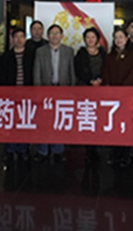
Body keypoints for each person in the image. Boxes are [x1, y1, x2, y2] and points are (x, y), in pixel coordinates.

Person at [33, 24, 76, 163]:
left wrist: (72, 90)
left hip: (62, 90)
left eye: (57, 33)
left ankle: (58, 150)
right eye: (52, 33)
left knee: (60, 120)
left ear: (61, 36)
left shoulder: (69, 51)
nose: (55, 36)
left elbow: (72, 72)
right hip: (45, 90)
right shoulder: (40, 51)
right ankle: (43, 150)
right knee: (44, 121)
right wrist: (38, 91)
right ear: (48, 36)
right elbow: (37, 72)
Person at [101, 28, 133, 167]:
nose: (119, 40)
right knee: (114, 125)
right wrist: (108, 86)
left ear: (126, 39)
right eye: (116, 37)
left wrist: (123, 89)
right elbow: (105, 72)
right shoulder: (110, 55)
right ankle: (115, 153)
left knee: (126, 125)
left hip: (127, 95)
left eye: (121, 37)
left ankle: (126, 154)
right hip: (113, 97)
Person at [0, 28, 34, 162]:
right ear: (12, 39)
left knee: (24, 122)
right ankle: (10, 149)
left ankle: (23, 149)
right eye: (16, 36)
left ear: (25, 39)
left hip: (27, 94)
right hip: (10, 95)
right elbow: (1, 77)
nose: (19, 39)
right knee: (10, 122)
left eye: (21, 36)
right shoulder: (5, 57)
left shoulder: (31, 55)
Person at [74, 27, 106, 164]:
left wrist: (100, 80)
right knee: (87, 119)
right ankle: (88, 150)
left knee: (98, 119)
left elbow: (107, 68)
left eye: (93, 37)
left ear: (97, 39)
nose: (90, 40)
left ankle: (97, 148)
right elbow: (78, 70)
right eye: (88, 37)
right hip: (85, 90)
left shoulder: (103, 53)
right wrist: (90, 81)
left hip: (100, 91)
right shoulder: (80, 53)